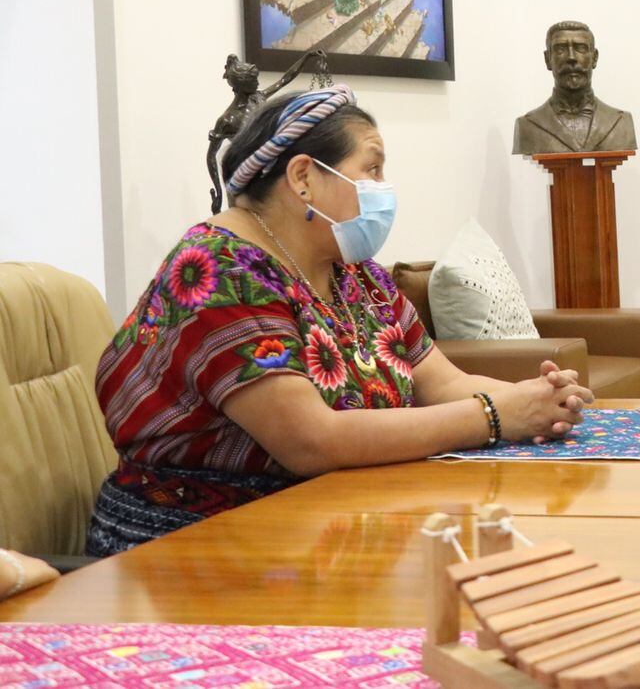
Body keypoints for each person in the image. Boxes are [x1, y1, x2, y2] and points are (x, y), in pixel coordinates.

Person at [90, 85, 593, 555]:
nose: (383, 187)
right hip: (199, 540)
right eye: (371, 169)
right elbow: (312, 441)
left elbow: (443, 384)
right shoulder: (218, 271)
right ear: (303, 177)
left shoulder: (353, 271)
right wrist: (494, 416)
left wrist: (537, 399)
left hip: (324, 519)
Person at [513, 22, 637, 154]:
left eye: (581, 48)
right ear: (547, 59)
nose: (571, 57)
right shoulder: (528, 125)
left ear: (594, 58)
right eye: (560, 49)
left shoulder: (620, 123)